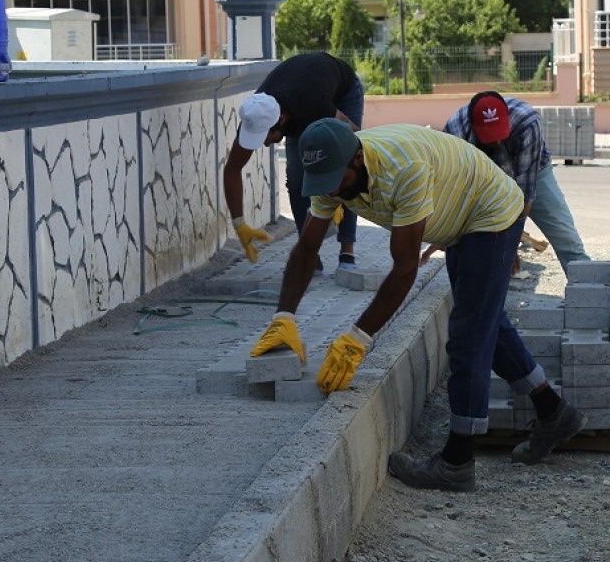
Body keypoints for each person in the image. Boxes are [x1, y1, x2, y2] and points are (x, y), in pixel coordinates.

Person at [249, 119, 587, 492]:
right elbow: (306, 250)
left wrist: (358, 338)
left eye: (335, 179)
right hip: (458, 214)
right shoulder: (331, 173)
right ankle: (554, 412)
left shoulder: (402, 169)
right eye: (322, 182)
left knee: (467, 337)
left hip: (489, 211)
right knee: (483, 321)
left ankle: (457, 462)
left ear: (358, 158)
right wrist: (283, 317)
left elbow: (405, 268)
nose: (330, 189)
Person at [222, 52, 363, 271]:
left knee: (348, 167)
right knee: (297, 179)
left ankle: (347, 253)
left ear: (281, 120)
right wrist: (240, 225)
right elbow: (232, 169)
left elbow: (355, 138)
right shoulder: (255, 114)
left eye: (266, 137)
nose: (265, 145)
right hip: (303, 94)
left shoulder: (310, 104)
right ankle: (309, 254)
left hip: (343, 91)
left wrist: (339, 192)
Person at [438, 91, 590, 275]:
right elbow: (452, 193)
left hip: (532, 173)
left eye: (500, 132)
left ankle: (587, 286)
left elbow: (524, 195)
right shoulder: (454, 133)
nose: (497, 140)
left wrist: (510, 245)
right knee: (469, 239)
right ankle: (475, 287)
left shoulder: (527, 123)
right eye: (489, 136)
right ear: (473, 126)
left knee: (565, 237)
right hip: (482, 179)